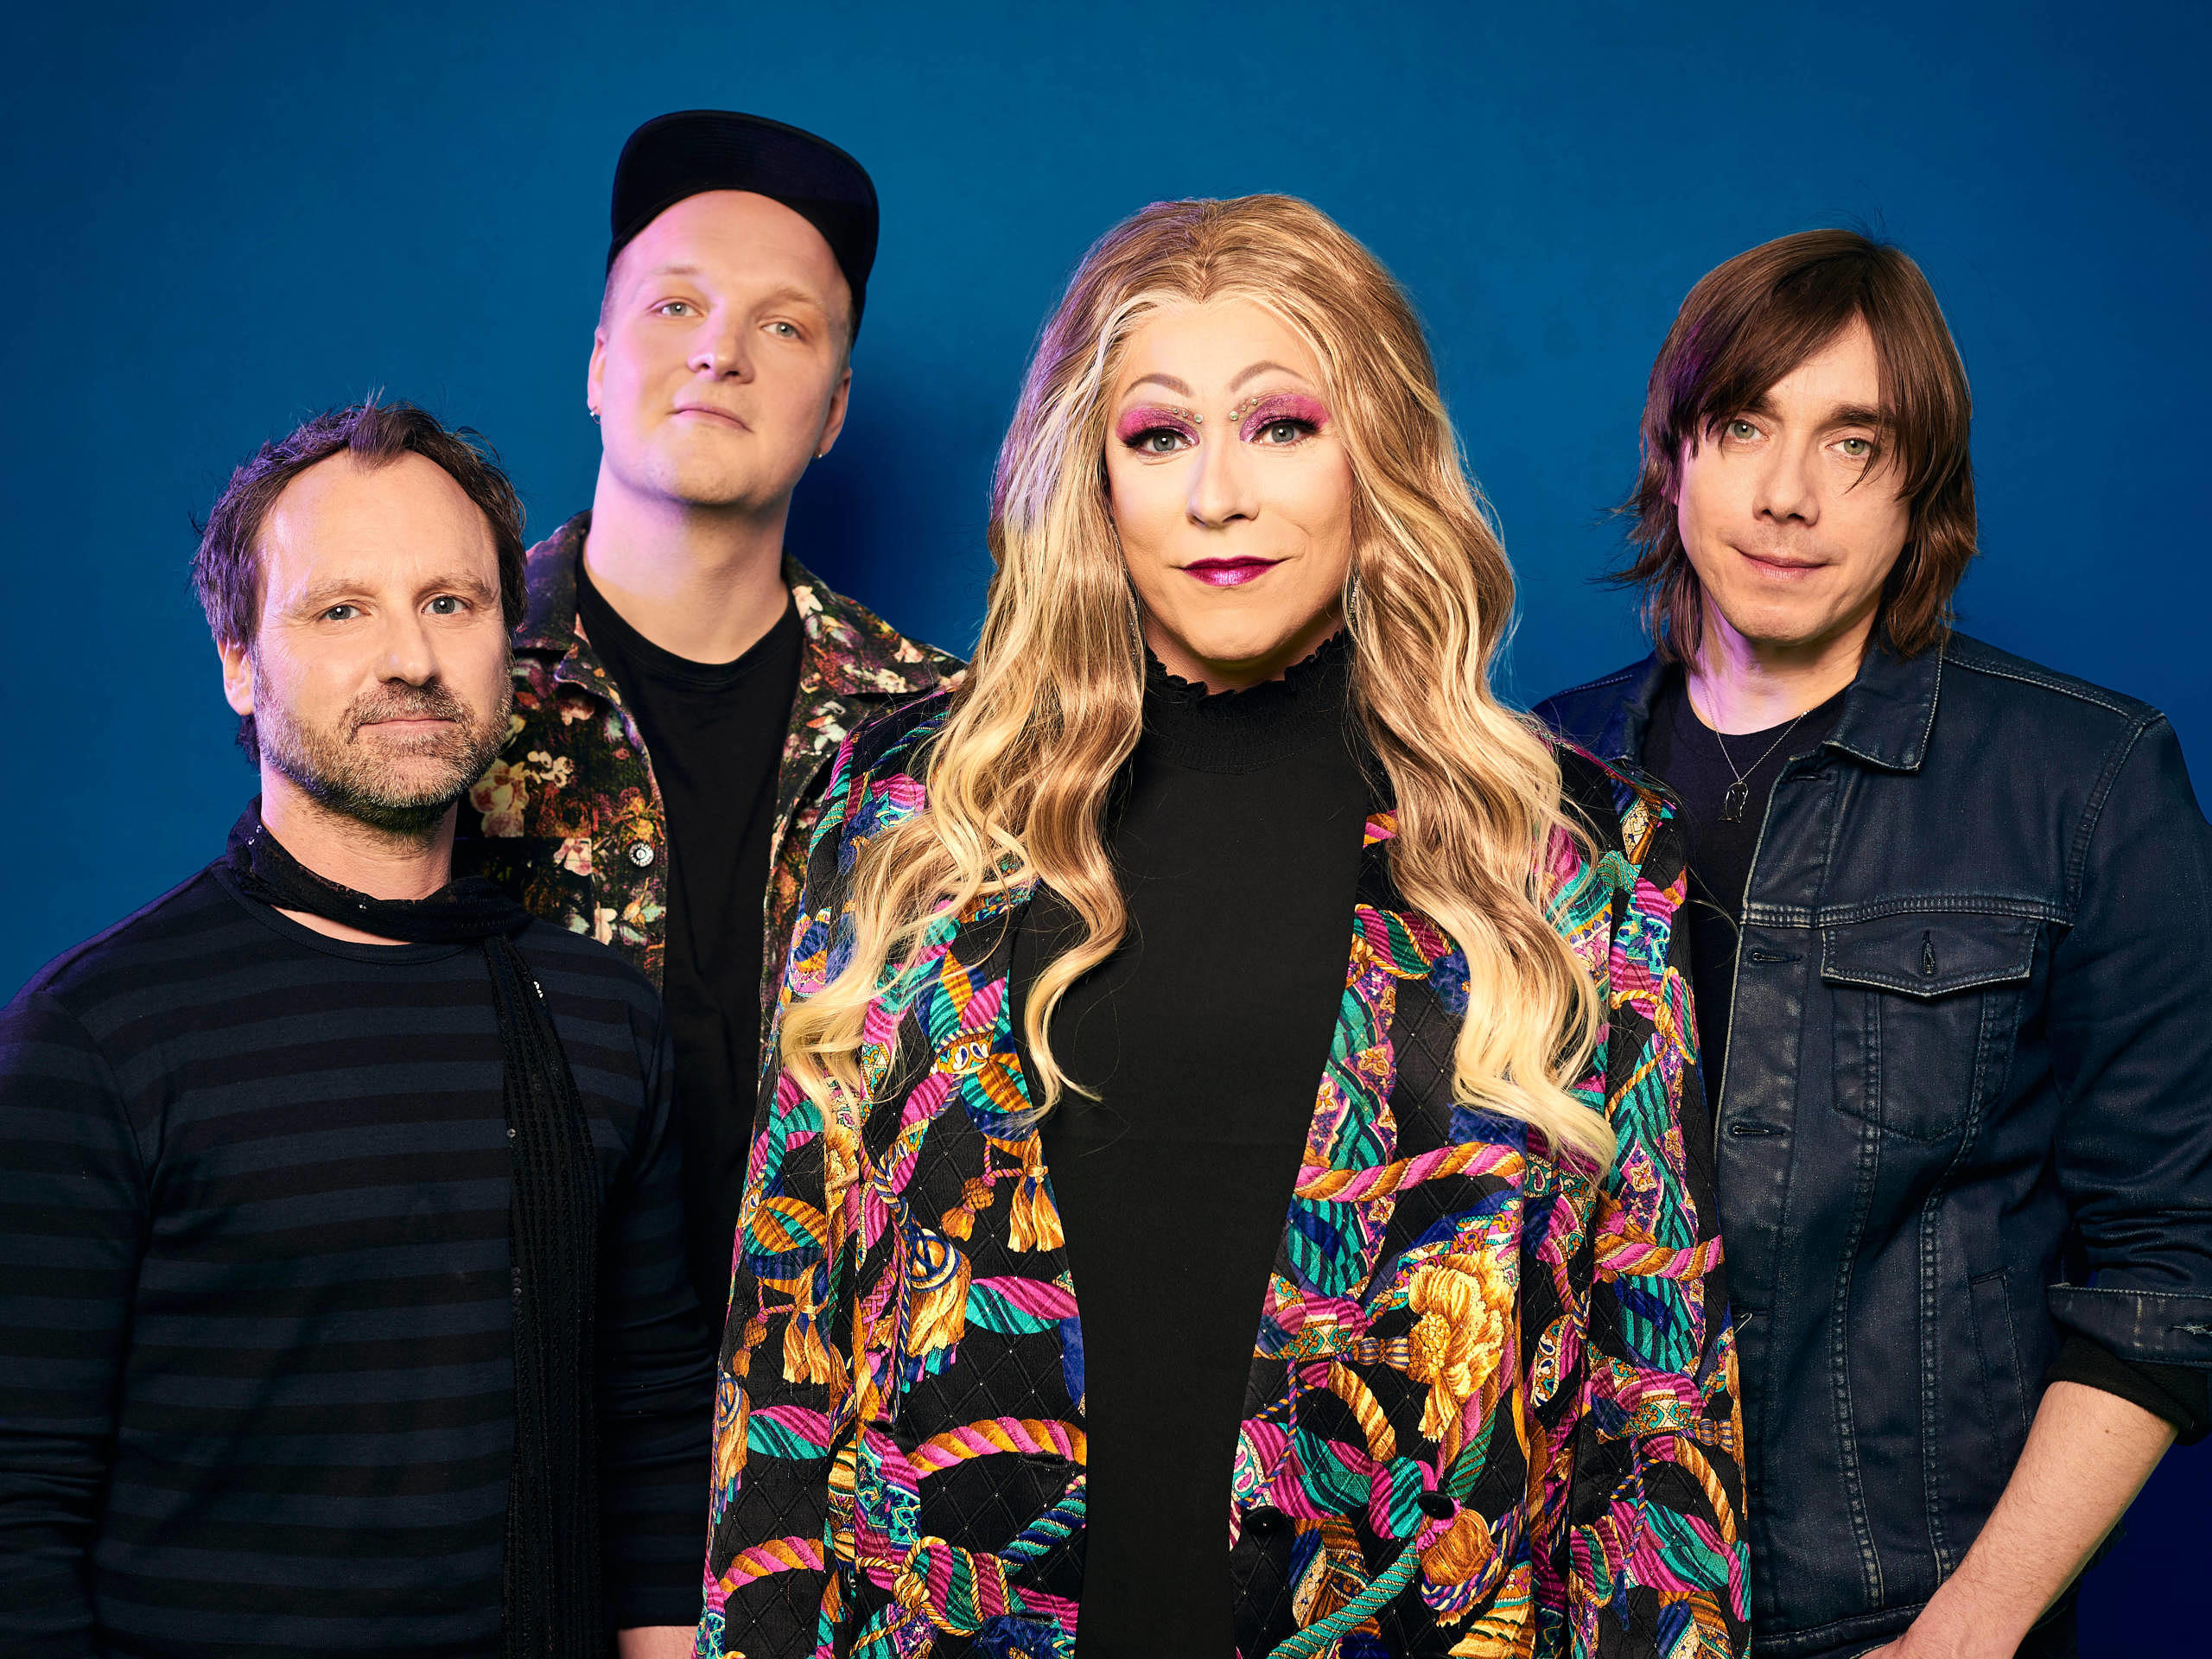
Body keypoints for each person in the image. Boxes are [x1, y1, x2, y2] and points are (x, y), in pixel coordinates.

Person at [701, 196, 1749, 1658]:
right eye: (1157, 436)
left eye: (1280, 426)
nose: (1217, 497)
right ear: (1091, 474)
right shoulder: (902, 812)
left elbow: (1660, 1408)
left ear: (1376, 450)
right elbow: (783, 1350)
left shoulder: (1575, 852)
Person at [1535, 231, 2212, 1659]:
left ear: (1923, 487)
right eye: (1745, 426)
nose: (1788, 495)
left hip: (1904, 1612)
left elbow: (2174, 1266)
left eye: (1856, 444)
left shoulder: (2084, 780)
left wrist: (1976, 1625)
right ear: (1676, 456)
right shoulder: (1533, 779)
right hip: (1569, 1602)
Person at [0, 400, 711, 1658]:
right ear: (239, 660)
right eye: (342, 610)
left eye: (451, 602)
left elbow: (655, 1439)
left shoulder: (603, 1021)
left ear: (510, 643)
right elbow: (16, 1512)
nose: (412, 658)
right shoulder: (94, 1040)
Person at [460, 110, 962, 1324]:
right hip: (498, 1392)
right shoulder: (445, 681)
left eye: (781, 325)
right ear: (596, 363)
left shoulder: (949, 735)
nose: (719, 353)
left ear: (833, 410)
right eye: (676, 305)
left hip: (829, 1406)